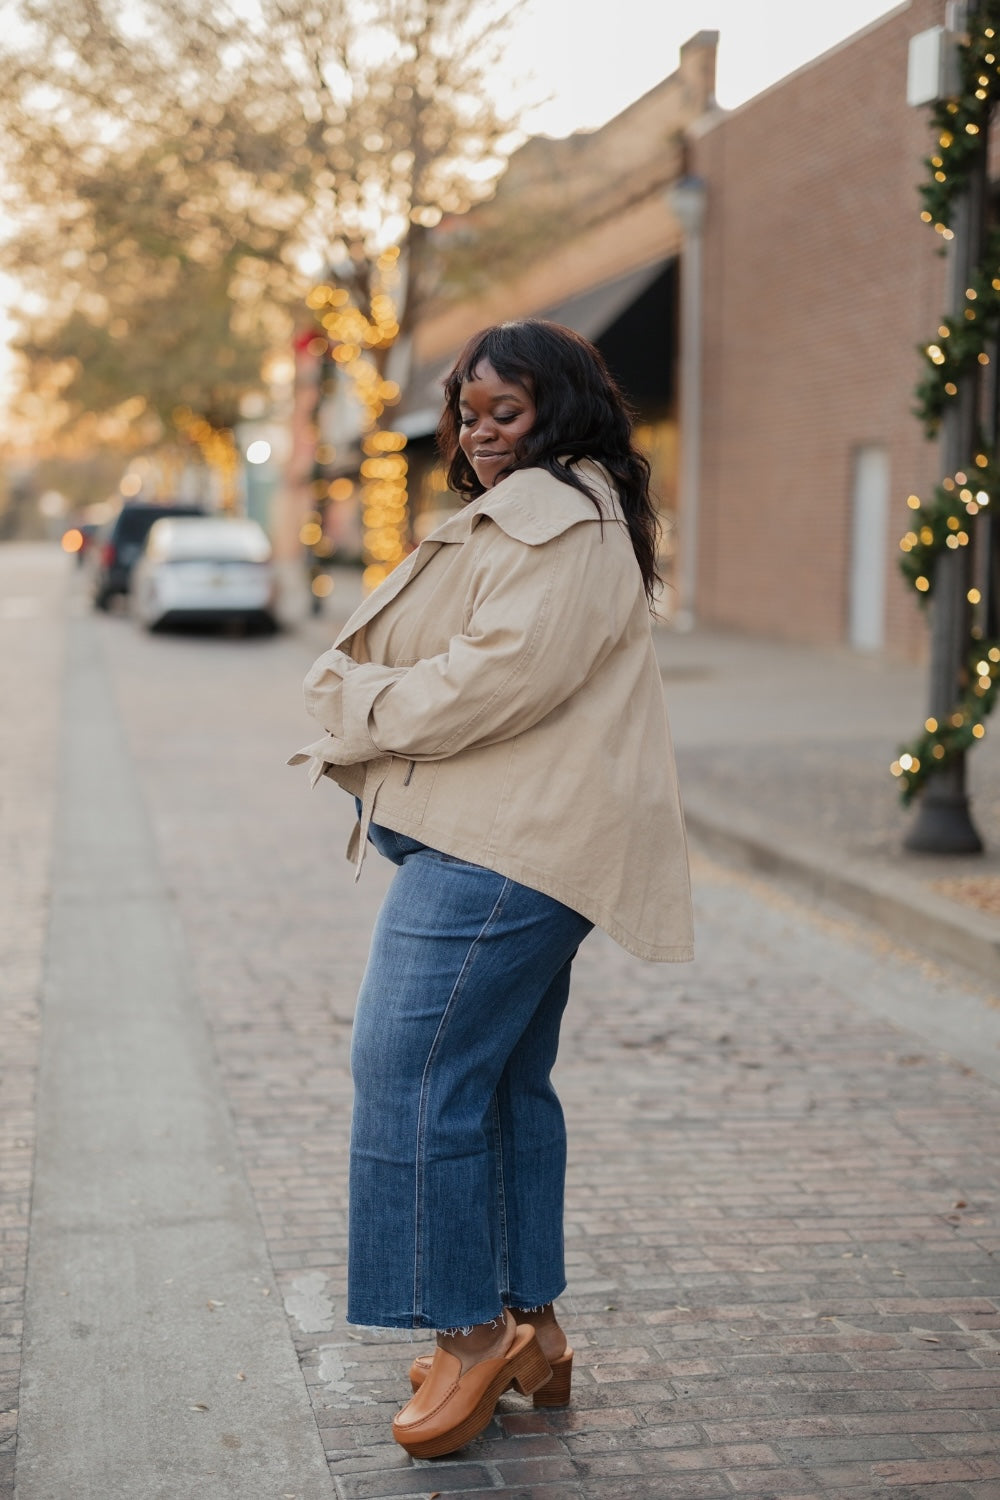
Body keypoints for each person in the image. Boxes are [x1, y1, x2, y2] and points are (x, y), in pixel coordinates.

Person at [289, 319, 693, 1460]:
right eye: (467, 415)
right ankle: (533, 1327)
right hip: (518, 835)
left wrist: (353, 703)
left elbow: (492, 679)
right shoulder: (561, 509)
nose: (478, 436)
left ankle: (468, 1335)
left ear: (558, 409)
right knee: (503, 1082)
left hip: (509, 847)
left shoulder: (559, 519)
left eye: (502, 412)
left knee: (407, 1072)